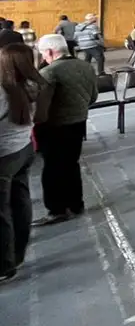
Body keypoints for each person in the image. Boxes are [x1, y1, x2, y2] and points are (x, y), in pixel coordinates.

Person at [32, 34, 97, 226]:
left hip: (54, 127)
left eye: (43, 53)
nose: (43, 57)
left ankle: (56, 209)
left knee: (52, 169)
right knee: (71, 164)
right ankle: (76, 204)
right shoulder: (85, 66)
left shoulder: (49, 73)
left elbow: (41, 108)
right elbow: (93, 96)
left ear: (50, 52)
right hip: (78, 123)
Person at [0, 44, 44, 283]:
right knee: (20, 202)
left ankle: (4, 265)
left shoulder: (4, 91)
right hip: (23, 148)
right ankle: (16, 254)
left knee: (2, 212)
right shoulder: (31, 85)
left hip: (4, 155)